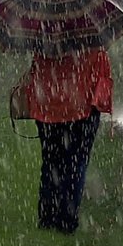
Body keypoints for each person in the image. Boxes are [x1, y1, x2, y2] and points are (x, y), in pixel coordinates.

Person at [22, 47, 113, 234]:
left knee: (51, 163)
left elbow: (36, 78)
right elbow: (103, 82)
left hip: (47, 111)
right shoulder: (93, 44)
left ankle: (47, 217)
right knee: (76, 163)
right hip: (83, 111)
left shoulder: (43, 42)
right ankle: (67, 220)